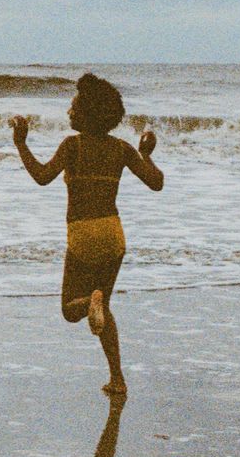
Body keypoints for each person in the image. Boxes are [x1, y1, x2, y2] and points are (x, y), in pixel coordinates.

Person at [11, 73, 163, 395]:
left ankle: (89, 303)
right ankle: (117, 378)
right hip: (113, 234)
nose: (70, 108)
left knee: (70, 309)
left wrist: (21, 144)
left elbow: (41, 176)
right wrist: (146, 154)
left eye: (74, 103)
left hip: (82, 234)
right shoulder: (122, 149)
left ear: (86, 112)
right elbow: (156, 182)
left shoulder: (72, 146)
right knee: (104, 309)